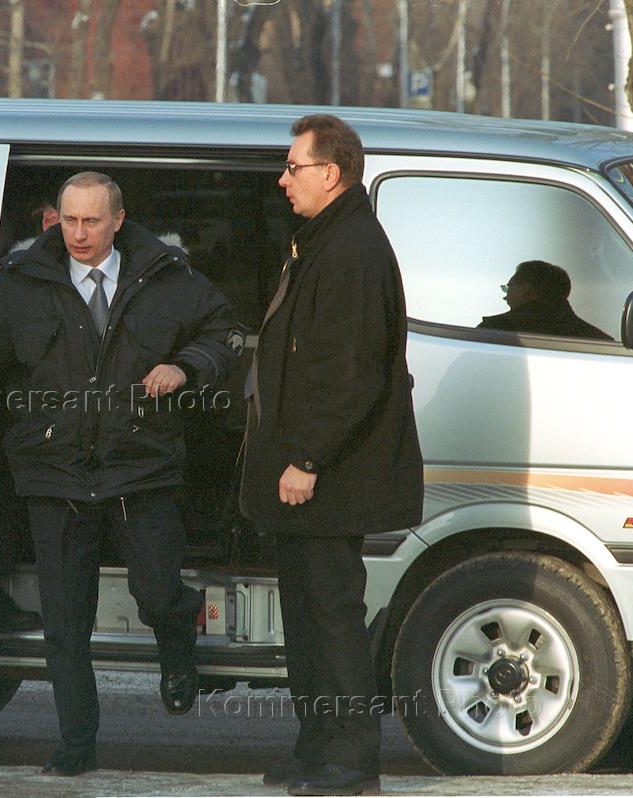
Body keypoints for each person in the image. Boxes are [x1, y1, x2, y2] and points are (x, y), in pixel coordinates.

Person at [0, 172, 238, 777]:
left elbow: (224, 333)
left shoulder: (166, 277)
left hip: (141, 466)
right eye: (69, 220)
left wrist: (185, 366)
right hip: (55, 473)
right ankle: (76, 744)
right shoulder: (23, 282)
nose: (78, 233)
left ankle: (177, 646)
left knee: (158, 593)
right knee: (65, 624)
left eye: (92, 221)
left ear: (118, 220)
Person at [240, 115, 423, 796]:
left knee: (332, 617)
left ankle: (351, 758)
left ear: (331, 173)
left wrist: (308, 459)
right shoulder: (322, 241)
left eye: (293, 167)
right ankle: (317, 747)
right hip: (308, 475)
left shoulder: (351, 249)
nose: (282, 180)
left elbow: (349, 373)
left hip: (329, 477)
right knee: (307, 617)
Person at [477, 259, 613, 340]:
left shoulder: (495, 329)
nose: (505, 296)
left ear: (525, 288)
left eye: (508, 288)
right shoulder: (600, 341)